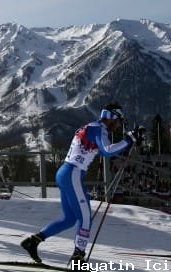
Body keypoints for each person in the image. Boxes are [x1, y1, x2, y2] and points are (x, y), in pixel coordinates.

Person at [20, 103, 144, 265]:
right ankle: (78, 258)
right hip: (73, 174)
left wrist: (130, 140)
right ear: (112, 117)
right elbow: (107, 151)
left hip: (65, 172)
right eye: (119, 121)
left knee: (70, 219)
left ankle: (33, 241)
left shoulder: (93, 127)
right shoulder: (99, 129)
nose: (119, 125)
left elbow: (105, 149)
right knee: (86, 218)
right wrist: (129, 138)